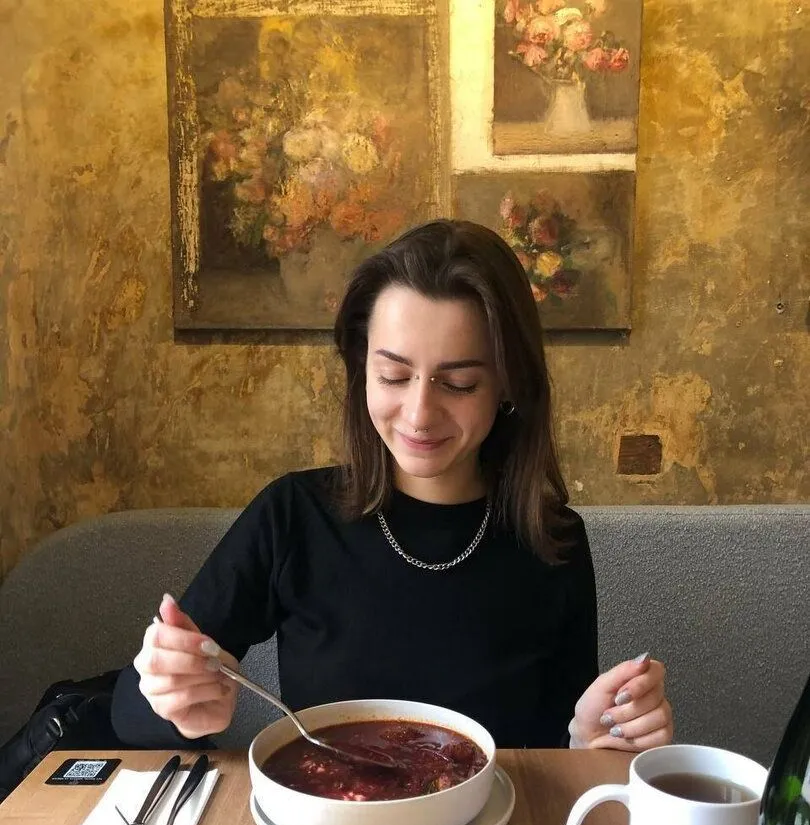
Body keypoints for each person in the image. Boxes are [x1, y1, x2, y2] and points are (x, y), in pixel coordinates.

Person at [111, 219, 672, 752]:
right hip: (332, 821)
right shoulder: (293, 516)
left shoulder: (553, 540)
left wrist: (591, 739)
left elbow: (555, 753)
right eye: (394, 376)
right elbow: (128, 714)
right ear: (362, 368)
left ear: (507, 383)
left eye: (459, 383)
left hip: (499, 823)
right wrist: (176, 704)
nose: (419, 414)